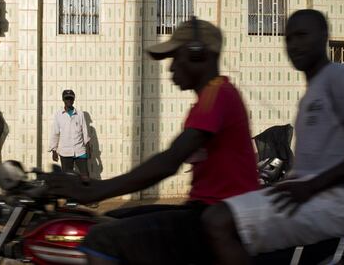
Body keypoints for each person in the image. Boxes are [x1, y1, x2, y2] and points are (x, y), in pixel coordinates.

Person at [47, 17, 259, 264]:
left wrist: (99, 189)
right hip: (201, 209)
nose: (171, 69)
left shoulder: (217, 95)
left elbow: (170, 161)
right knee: (108, 219)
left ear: (198, 55)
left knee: (101, 239)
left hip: (217, 216)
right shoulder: (208, 100)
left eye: (176, 58)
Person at [201, 9, 344, 265]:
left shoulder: (342, 76)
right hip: (315, 196)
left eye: (302, 35)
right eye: (288, 38)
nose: (294, 45)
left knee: (218, 220)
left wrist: (311, 186)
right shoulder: (310, 96)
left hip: (342, 202)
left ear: (324, 36)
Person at [49, 89, 91, 180]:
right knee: (68, 178)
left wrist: (88, 147)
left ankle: (85, 193)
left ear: (74, 100)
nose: (69, 101)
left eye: (71, 99)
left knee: (86, 176)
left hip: (80, 150)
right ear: (63, 100)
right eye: (67, 98)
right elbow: (55, 133)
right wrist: (54, 150)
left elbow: (85, 130)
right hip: (65, 152)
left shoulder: (80, 114)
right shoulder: (58, 115)